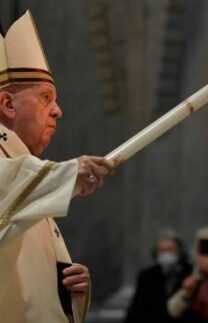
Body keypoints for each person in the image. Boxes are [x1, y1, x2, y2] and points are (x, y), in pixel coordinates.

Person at [0, 10, 115, 323]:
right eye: (45, 97)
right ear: (8, 105)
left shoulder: (29, 176)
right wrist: (68, 172)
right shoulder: (20, 176)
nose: (58, 111)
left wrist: (71, 291)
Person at [123, 229, 192, 323]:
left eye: (170, 249)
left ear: (179, 251)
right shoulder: (147, 277)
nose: (166, 254)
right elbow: (136, 310)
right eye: (162, 250)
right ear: (156, 252)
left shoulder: (190, 274)